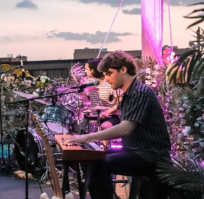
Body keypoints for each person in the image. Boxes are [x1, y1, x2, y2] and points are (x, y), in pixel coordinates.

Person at [65, 51, 171, 199]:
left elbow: (126, 128)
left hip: (150, 155)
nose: (106, 79)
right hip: (135, 150)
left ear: (123, 69)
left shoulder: (140, 92)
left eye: (109, 73)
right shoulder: (128, 93)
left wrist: (85, 138)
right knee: (91, 160)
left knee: (98, 164)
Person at [84, 58, 120, 130]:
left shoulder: (111, 84)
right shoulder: (90, 84)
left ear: (92, 70)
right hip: (96, 116)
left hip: (111, 116)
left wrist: (107, 111)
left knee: (104, 126)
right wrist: (83, 94)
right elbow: (88, 102)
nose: (85, 71)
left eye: (86, 69)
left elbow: (121, 103)